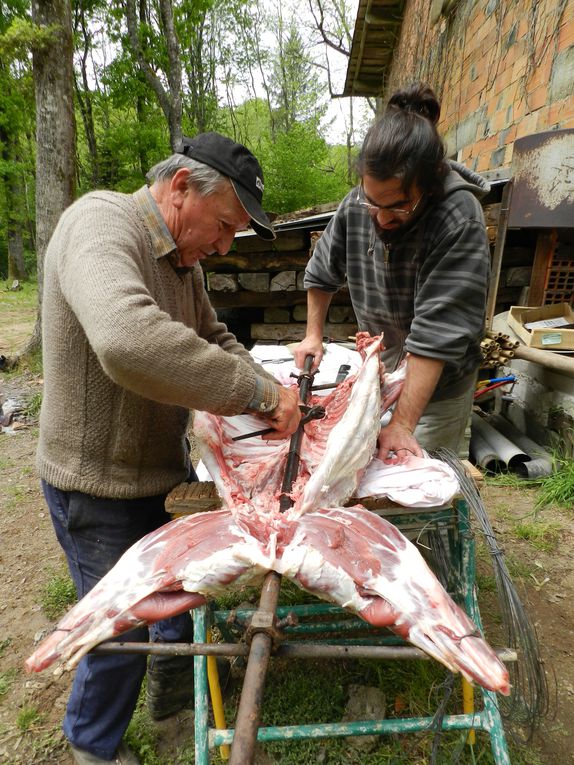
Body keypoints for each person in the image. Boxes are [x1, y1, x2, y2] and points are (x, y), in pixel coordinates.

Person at [37, 132, 302, 765]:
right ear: (180, 188)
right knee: (119, 625)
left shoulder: (183, 261)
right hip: (94, 481)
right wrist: (259, 396)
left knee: (179, 594)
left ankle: (173, 696)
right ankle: (92, 745)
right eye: (224, 226)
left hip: (160, 471)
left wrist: (266, 384)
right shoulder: (100, 225)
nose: (224, 244)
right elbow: (128, 340)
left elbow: (213, 336)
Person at [294, 83, 490, 463]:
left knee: (419, 484)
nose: (381, 217)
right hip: (380, 374)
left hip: (436, 390)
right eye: (373, 202)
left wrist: (401, 425)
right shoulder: (358, 203)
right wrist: (312, 336)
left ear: (430, 183)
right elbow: (321, 271)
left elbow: (435, 337)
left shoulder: (457, 218)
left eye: (398, 206)